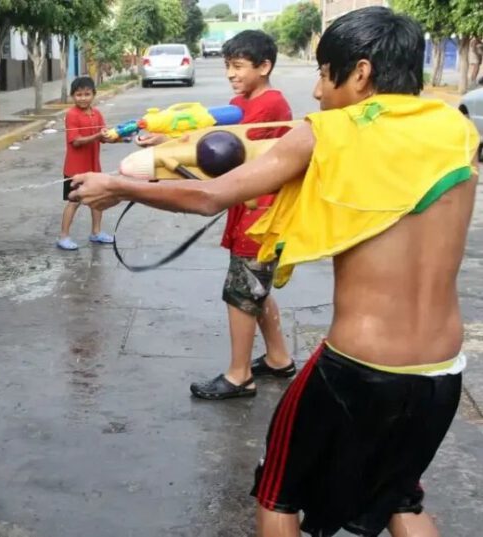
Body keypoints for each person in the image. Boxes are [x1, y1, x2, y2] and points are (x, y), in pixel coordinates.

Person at [70, 7, 478, 536]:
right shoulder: (457, 130)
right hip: (443, 371)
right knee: (400, 497)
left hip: (359, 366)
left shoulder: (331, 133)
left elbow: (211, 197)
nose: (315, 92)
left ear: (359, 73)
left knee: (278, 495)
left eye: (323, 73)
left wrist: (120, 186)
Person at [189, 30, 295, 400]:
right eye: (227, 66)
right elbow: (211, 132)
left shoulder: (268, 105)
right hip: (251, 207)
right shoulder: (244, 101)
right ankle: (279, 358)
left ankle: (239, 376)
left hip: (261, 214)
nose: (231, 74)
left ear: (264, 66)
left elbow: (223, 149)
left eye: (238, 66)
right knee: (255, 288)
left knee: (241, 292)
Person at [57, 76, 114, 251]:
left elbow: (104, 138)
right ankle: (63, 236)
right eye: (79, 94)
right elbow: (75, 141)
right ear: (73, 96)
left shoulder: (97, 114)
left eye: (87, 94)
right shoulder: (72, 115)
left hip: (94, 168)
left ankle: (96, 232)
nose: (83, 98)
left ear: (94, 95)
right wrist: (98, 136)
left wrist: (118, 137)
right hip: (75, 169)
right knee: (73, 202)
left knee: (97, 201)